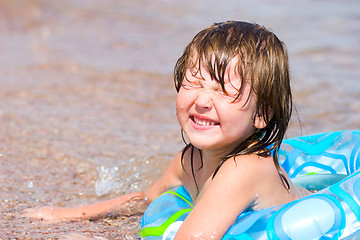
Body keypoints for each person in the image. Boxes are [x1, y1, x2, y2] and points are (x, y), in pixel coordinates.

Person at [23, 21, 309, 239]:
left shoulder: (243, 169)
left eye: (223, 92)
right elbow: (146, 199)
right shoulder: (189, 159)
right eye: (192, 83)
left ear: (261, 114)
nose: (202, 101)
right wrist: (66, 216)